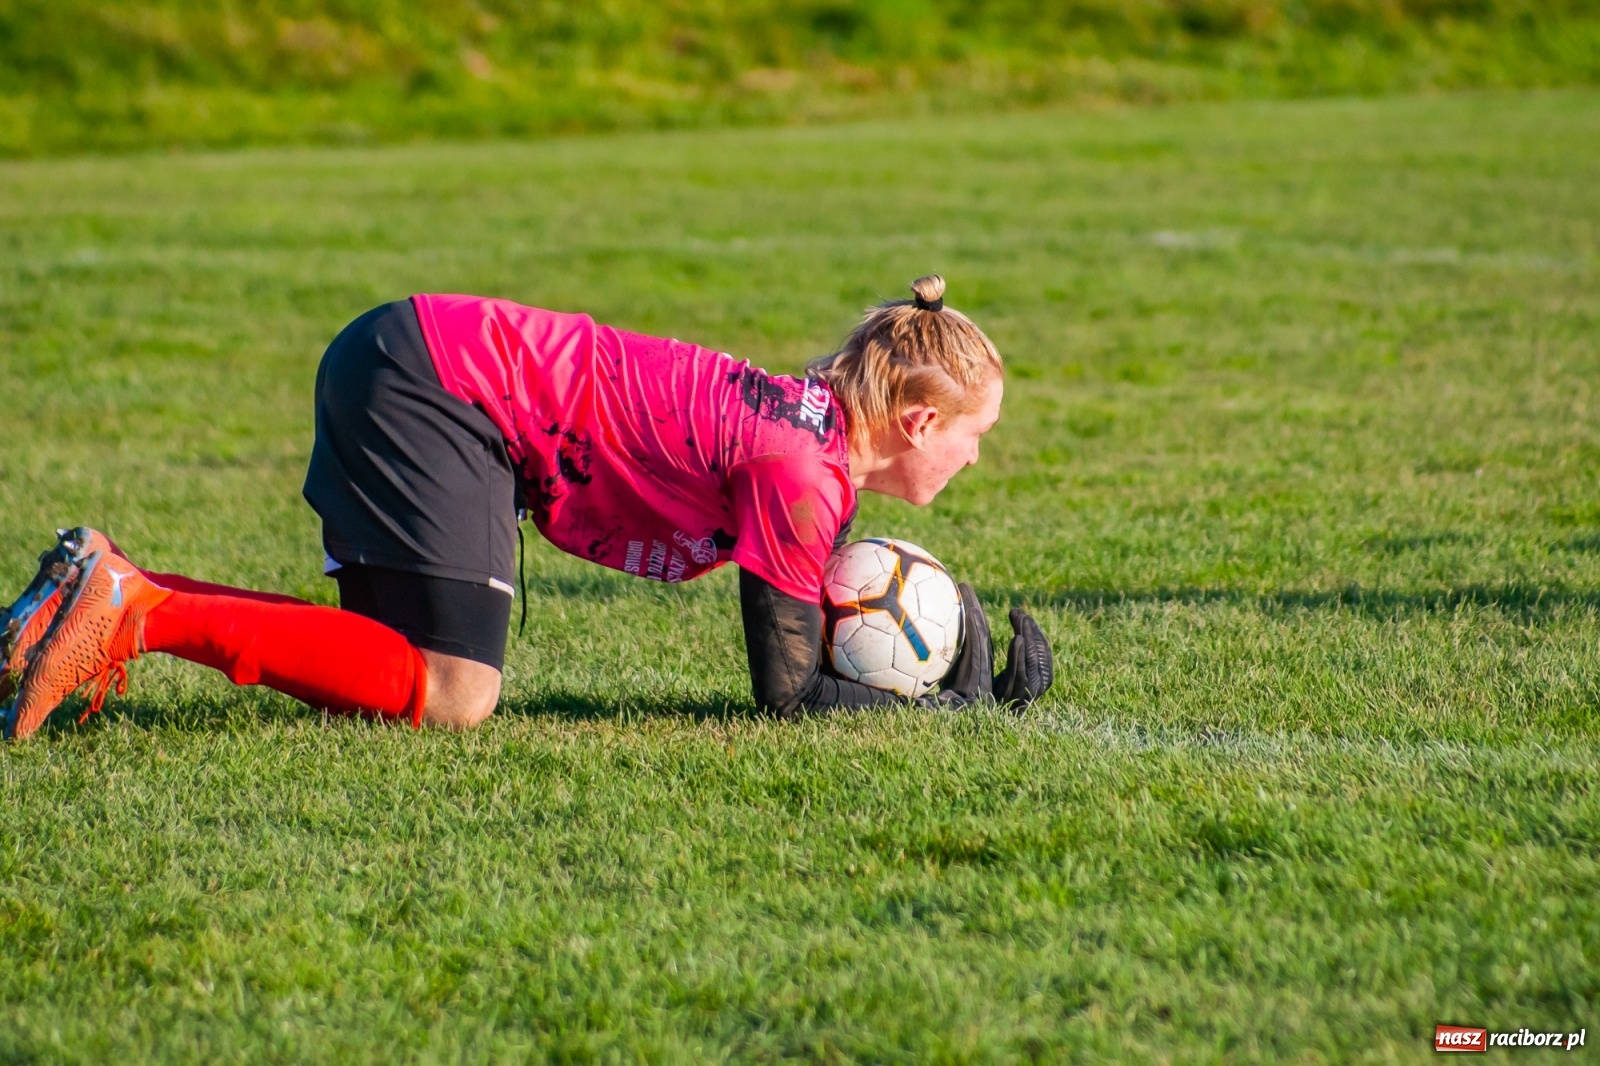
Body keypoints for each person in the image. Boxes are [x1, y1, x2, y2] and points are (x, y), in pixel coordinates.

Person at [0, 276, 1053, 741]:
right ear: (917, 422)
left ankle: (105, 590)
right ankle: (134, 608)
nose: (975, 455)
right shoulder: (802, 468)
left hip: (402, 353)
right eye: (976, 433)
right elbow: (783, 694)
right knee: (456, 692)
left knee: (380, 660)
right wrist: (949, 709)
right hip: (442, 387)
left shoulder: (807, 434)